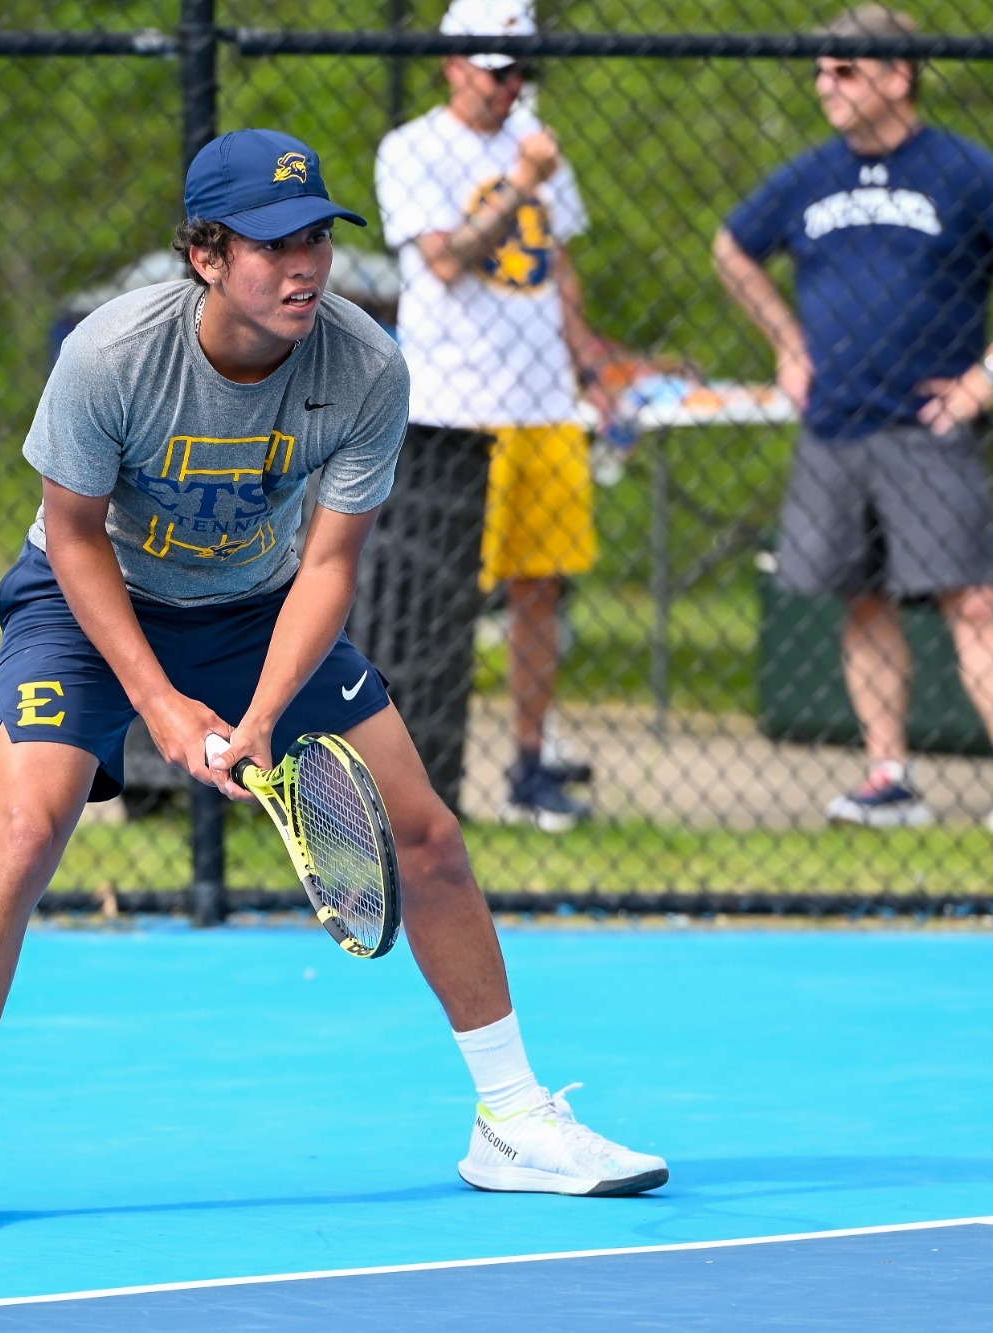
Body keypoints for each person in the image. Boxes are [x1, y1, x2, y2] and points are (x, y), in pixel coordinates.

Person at [0, 128, 667, 1230]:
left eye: (315, 238)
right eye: (269, 244)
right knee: (24, 831)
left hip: (258, 608)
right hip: (86, 597)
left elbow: (331, 561)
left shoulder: (364, 365)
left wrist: (255, 716)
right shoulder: (110, 356)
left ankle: (511, 1120)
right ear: (205, 255)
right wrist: (157, 703)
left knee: (430, 834)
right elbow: (71, 539)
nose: (303, 264)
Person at [713, 4, 993, 833]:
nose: (826, 86)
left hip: (927, 426)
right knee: (863, 600)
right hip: (835, 424)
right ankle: (890, 777)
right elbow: (731, 246)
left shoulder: (961, 169)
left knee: (975, 599)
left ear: (897, 75)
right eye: (820, 71)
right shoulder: (810, 176)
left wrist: (990, 373)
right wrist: (787, 343)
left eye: (845, 70)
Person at [375, 0, 622, 833]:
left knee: (541, 589)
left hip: (544, 400)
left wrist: (591, 361)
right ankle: (417, 774)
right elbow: (443, 261)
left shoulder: (539, 148)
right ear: (454, 65)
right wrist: (521, 181)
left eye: (521, 71)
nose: (512, 87)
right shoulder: (414, 149)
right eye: (496, 71)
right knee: (439, 593)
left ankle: (529, 762)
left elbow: (559, 264)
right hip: (454, 409)